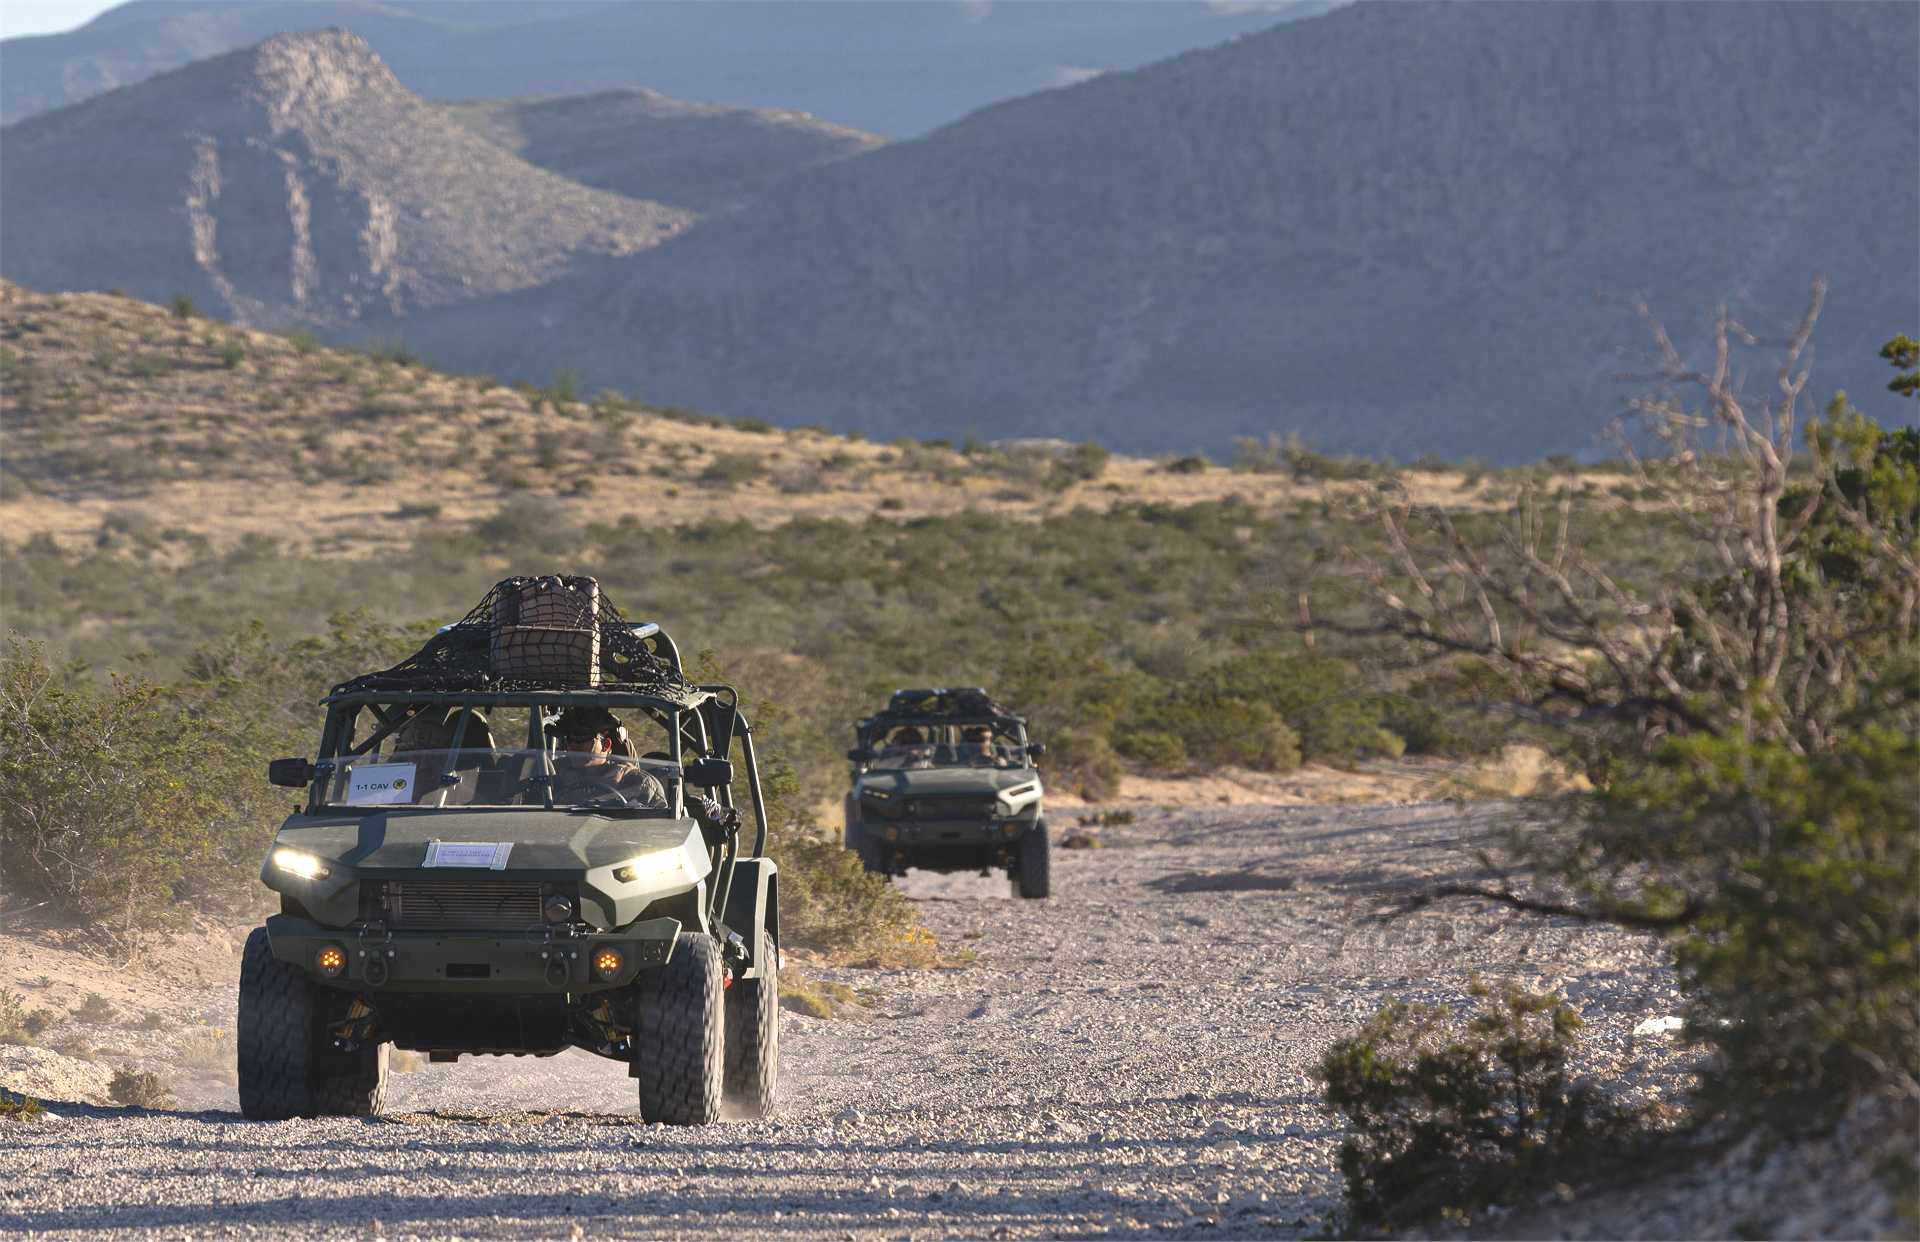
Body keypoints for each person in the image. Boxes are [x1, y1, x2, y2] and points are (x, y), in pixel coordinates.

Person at [550, 706, 667, 808]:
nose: (572, 746)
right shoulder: (552, 776)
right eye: (569, 739)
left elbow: (656, 828)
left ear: (606, 745)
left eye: (581, 738)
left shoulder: (638, 783)